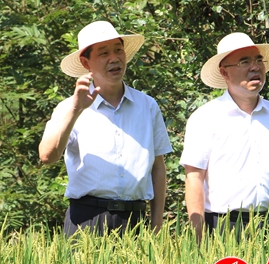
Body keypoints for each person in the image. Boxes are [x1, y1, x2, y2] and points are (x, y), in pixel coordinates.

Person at [39, 21, 172, 236]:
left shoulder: (147, 106)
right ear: (86, 62)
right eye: (104, 53)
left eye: (118, 50)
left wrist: (156, 226)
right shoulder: (68, 107)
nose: (114, 58)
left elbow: (158, 167)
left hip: (135, 221)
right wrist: (76, 110)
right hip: (86, 220)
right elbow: (47, 156)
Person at [180, 32, 269, 241]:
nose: (254, 67)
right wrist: (198, 236)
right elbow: (194, 178)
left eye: (258, 60)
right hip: (225, 227)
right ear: (224, 72)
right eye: (244, 62)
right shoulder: (205, 118)